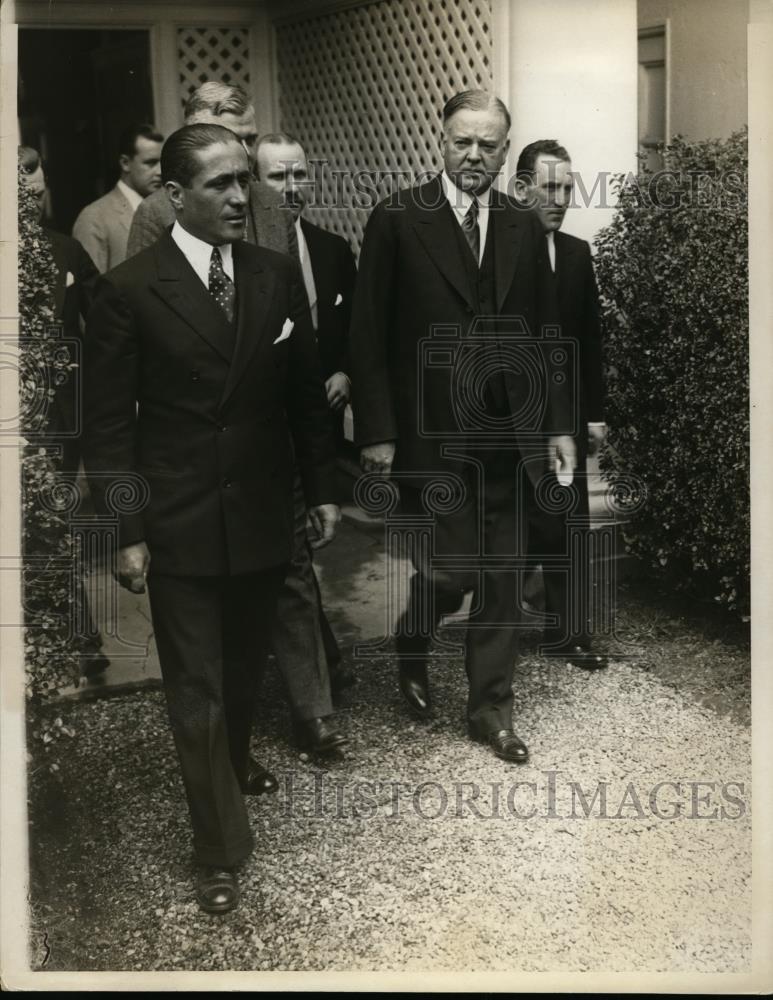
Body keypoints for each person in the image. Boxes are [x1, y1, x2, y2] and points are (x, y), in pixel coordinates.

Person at [82, 123, 340, 914]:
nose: (240, 197)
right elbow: (107, 426)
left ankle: (225, 778)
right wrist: (126, 532)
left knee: (238, 670)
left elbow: (302, 398)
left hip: (263, 514)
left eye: (244, 182)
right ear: (174, 195)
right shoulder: (129, 289)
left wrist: (324, 488)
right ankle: (217, 850)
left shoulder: (271, 275)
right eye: (220, 184)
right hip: (180, 520)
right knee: (195, 685)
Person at [350, 91, 576, 764]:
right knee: (452, 570)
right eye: (462, 141)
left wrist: (558, 424)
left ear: (506, 151)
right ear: (440, 141)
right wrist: (377, 432)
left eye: (488, 144)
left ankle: (490, 710)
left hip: (508, 435)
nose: (474, 154)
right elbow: (366, 336)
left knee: (503, 575)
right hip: (430, 434)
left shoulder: (518, 225)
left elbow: (544, 335)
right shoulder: (397, 219)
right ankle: (414, 636)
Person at [127, 86, 348, 754]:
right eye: (224, 131)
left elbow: (289, 308)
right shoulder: (155, 216)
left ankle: (314, 713)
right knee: (216, 599)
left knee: (291, 572)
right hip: (199, 447)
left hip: (269, 432)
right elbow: (139, 324)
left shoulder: (272, 208)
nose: (241, 155)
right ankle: (229, 739)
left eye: (247, 137)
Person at [255, 131, 359, 709]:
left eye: (298, 175)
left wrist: (345, 373)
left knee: (303, 546)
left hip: (319, 423)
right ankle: (323, 670)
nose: (291, 189)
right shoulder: (248, 254)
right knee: (291, 552)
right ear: (255, 181)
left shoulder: (334, 249)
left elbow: (357, 329)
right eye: (277, 177)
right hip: (269, 428)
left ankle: (323, 668)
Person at [514, 139, 608, 670]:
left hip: (566, 416)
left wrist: (593, 413)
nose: (559, 198)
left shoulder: (575, 253)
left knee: (569, 523)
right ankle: (500, 622)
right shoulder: (497, 252)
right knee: (519, 521)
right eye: (549, 187)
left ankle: (567, 632)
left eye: (567, 188)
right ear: (523, 188)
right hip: (513, 419)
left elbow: (589, 340)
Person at [19, 145, 108, 678]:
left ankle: (79, 636)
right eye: (24, 186)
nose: (34, 194)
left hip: (58, 417)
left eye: (38, 185)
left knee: (49, 521)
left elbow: (103, 326)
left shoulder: (66, 251)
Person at [126, 83, 291, 258]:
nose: (247, 152)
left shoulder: (275, 203)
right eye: (230, 139)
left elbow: (293, 283)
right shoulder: (153, 213)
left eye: (250, 140)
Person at [72, 123, 163, 272]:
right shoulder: (94, 218)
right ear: (125, 163)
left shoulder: (168, 210)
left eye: (163, 162)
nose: (160, 171)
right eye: (150, 163)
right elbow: (90, 291)